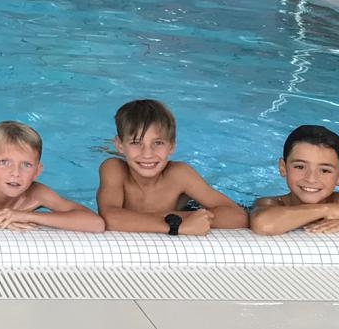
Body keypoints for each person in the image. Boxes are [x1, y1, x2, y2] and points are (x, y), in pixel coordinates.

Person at [95, 99, 247, 236]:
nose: (147, 154)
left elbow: (238, 216)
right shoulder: (114, 169)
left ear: (172, 146)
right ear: (120, 145)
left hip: (189, 208)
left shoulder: (179, 174)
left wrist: (139, 220)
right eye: (136, 143)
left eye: (158, 143)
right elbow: (109, 218)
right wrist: (176, 225)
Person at [251, 124, 339, 235]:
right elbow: (264, 224)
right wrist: (328, 210)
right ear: (283, 168)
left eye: (325, 170)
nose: (311, 179)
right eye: (300, 167)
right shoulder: (272, 203)